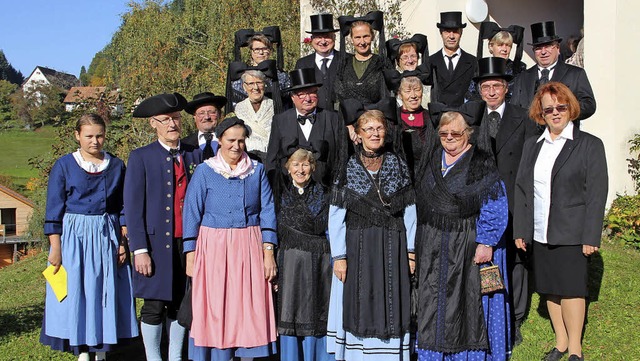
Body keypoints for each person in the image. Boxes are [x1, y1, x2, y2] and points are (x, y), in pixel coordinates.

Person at [513, 82, 608, 361]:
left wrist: (591, 235)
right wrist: (522, 229)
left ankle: (576, 348)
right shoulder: (533, 145)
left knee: (572, 290)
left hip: (572, 231)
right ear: (541, 114)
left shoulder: (589, 145)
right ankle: (561, 341)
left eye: (561, 107)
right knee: (550, 289)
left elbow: (596, 193)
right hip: (540, 231)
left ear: (571, 109)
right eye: (549, 109)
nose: (555, 113)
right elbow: (522, 189)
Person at [40, 114, 138, 361]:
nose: (95, 141)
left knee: (105, 289)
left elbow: (123, 206)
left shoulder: (116, 165)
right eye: (89, 136)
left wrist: (123, 242)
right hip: (75, 236)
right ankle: (82, 349)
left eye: (99, 135)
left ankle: (102, 347)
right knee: (78, 290)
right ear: (77, 136)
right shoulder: (64, 165)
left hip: (107, 234)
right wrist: (56, 247)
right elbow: (54, 210)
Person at [414, 110, 510, 360]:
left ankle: (465, 355)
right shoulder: (433, 159)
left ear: (468, 133)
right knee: (432, 298)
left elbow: (495, 202)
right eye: (443, 133)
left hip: (466, 244)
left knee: (465, 302)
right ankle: (433, 353)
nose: (449, 138)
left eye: (455, 133)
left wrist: (486, 242)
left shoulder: (480, 163)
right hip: (432, 242)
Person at [182, 116, 278, 361]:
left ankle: (247, 355)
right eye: (231, 140)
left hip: (249, 244)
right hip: (214, 245)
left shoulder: (256, 171)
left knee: (247, 306)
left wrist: (268, 252)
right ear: (220, 140)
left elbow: (267, 210)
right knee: (218, 305)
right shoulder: (205, 171)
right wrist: (191, 254)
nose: (236, 146)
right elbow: (192, 211)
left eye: (241, 140)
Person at [326, 108, 416, 361]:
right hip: (358, 243)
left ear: (386, 132)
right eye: (369, 129)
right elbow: (335, 216)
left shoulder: (397, 164)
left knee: (392, 296)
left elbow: (409, 211)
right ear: (358, 133)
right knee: (360, 297)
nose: (374, 133)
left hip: (392, 242)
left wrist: (410, 252)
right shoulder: (348, 166)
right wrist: (339, 256)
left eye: (379, 128)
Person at [462, 56, 538, 346]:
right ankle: (485, 312)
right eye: (486, 86)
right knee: (487, 256)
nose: (491, 91)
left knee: (517, 259)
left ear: (507, 87)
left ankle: (515, 317)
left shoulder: (524, 118)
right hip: (480, 203)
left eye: (497, 85)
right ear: (479, 89)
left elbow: (529, 164)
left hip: (514, 199)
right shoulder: (472, 116)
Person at [124, 93, 202, 361]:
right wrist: (140, 249)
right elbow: (133, 208)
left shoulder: (195, 154)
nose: (173, 124)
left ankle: (176, 356)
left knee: (181, 304)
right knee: (155, 305)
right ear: (153, 124)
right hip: (155, 245)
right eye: (166, 119)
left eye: (177, 118)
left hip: (188, 243)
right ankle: (154, 358)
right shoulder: (140, 157)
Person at [275, 145, 335, 361]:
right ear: (287, 167)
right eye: (296, 164)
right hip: (289, 265)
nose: (301, 169)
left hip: (320, 264)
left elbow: (331, 231)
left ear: (313, 167)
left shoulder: (325, 194)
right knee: (290, 312)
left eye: (306, 164)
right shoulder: (279, 195)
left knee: (318, 310)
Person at [266, 68, 343, 188]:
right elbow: (272, 159)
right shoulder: (280, 120)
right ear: (292, 97)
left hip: (326, 189)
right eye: (302, 94)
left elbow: (341, 156)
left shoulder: (333, 119)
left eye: (312, 93)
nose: (308, 99)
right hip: (289, 191)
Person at [510, 21, 596, 122]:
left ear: (558, 48)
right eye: (538, 48)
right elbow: (513, 111)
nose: (543, 52)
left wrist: (563, 111)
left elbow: (589, 105)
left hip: (564, 134)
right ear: (534, 51)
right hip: (531, 136)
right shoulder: (522, 77)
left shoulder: (575, 74)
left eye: (548, 46)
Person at [383, 67, 435, 177]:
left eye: (417, 89)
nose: (413, 95)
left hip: (426, 173)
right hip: (398, 174)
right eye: (408, 91)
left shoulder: (431, 117)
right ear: (400, 95)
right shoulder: (392, 118)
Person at [334, 11, 391, 106]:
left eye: (366, 36)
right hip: (350, 118)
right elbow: (338, 96)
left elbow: (387, 96)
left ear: (372, 36)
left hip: (375, 117)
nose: (362, 42)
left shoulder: (382, 63)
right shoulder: (344, 64)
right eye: (357, 37)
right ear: (351, 39)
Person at [228, 60, 281, 160]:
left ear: (264, 84)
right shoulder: (238, 109)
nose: (255, 88)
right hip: (245, 158)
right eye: (251, 83)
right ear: (244, 87)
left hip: (272, 158)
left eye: (259, 83)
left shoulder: (275, 106)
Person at [227, 27, 291, 109]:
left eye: (265, 49)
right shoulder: (240, 75)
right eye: (257, 49)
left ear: (270, 51)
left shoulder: (282, 76)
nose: (261, 52)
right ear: (251, 51)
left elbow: (287, 103)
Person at [467, 22, 526, 102]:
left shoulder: (519, 69)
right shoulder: (481, 67)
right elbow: (471, 96)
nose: (505, 49)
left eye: (508, 45)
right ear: (491, 46)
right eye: (500, 45)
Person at [429, 11, 478, 106]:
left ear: (461, 33)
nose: (451, 36)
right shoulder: (431, 61)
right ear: (441, 33)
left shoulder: (473, 62)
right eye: (447, 31)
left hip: (464, 117)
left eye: (455, 31)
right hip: (440, 117)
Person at [295, 13, 342, 111]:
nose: (323, 41)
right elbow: (298, 95)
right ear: (312, 39)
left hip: (342, 120)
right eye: (318, 37)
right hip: (315, 119)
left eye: (327, 36)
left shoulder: (346, 59)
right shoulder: (302, 64)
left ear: (334, 38)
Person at [386, 34, 432, 108]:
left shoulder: (426, 79)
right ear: (398, 62)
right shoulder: (393, 82)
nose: (410, 61)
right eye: (405, 57)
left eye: (413, 56)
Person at [182, 92, 227, 160]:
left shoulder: (230, 141)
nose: (207, 117)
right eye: (201, 113)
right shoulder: (184, 145)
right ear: (194, 116)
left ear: (219, 114)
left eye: (211, 112)